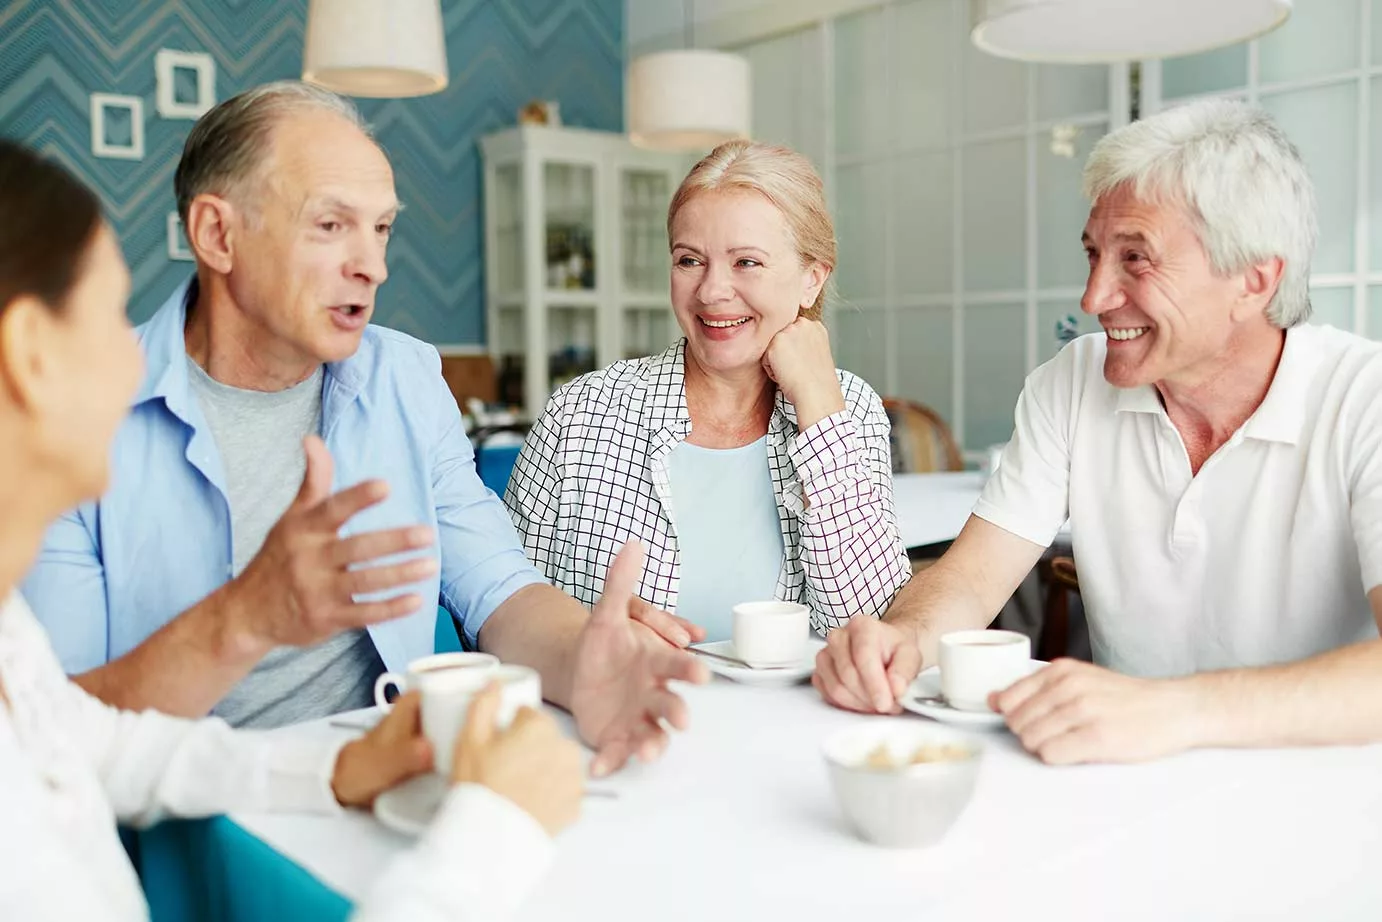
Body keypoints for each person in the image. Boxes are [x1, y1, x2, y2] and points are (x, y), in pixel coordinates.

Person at [20, 81, 704, 777]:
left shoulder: (404, 377)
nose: (372, 266)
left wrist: (581, 655)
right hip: (184, 816)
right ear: (217, 235)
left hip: (383, 783)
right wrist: (246, 615)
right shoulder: (75, 406)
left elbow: (498, 586)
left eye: (381, 228)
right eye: (330, 225)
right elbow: (50, 730)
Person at [0, 137, 592, 921]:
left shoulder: (8, 640)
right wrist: (496, 833)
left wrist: (339, 767)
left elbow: (88, 744)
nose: (373, 266)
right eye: (109, 317)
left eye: (382, 229)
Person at [815, 98, 1382, 763]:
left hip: (1317, 795)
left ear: (1253, 281)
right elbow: (971, 581)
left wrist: (1175, 708)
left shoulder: (1363, 397)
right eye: (1094, 253)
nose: (1092, 297)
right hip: (1123, 778)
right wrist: (903, 638)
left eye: (1136, 259)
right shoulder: (1072, 380)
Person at [504, 140, 910, 643]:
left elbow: (868, 628)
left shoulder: (852, 409)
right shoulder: (581, 412)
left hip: (793, 721)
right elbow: (503, 612)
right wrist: (584, 637)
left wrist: (820, 409)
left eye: (746, 263)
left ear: (811, 280)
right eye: (690, 260)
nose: (712, 291)